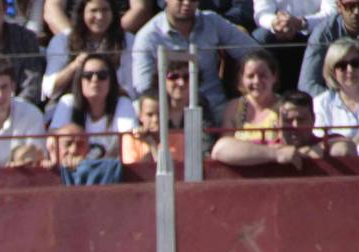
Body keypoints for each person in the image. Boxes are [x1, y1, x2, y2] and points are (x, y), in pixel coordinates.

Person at [131, 0, 260, 117]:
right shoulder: (148, 36)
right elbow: (144, 87)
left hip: (215, 105)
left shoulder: (212, 22)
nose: (187, 3)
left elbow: (255, 54)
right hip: (170, 110)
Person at [210, 88, 356, 165]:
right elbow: (219, 150)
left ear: (313, 120)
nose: (295, 125)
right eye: (288, 120)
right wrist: (275, 155)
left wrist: (303, 153)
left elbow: (345, 148)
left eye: (301, 119)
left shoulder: (325, 141)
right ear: (277, 123)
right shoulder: (267, 146)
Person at [42, 0, 133, 109]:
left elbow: (132, 90)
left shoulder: (127, 40)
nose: (99, 16)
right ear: (82, 13)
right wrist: (75, 65)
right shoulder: (63, 40)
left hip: (115, 105)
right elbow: (49, 89)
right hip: (73, 105)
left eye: (105, 10)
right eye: (93, 11)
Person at [48, 53, 136, 158]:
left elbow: (130, 143)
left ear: (111, 80)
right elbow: (53, 142)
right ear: (79, 80)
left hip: (111, 171)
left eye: (102, 76)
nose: (94, 80)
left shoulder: (123, 103)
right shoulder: (68, 102)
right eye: (88, 75)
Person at [300, 0, 359, 100]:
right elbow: (307, 85)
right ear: (339, 6)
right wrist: (339, 102)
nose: (357, 11)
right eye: (350, 6)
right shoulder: (324, 33)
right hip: (331, 104)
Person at [314, 38, 359, 147]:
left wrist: (344, 147)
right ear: (332, 71)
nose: (350, 70)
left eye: (356, 63)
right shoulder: (321, 103)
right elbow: (320, 142)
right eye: (342, 65)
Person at [220, 49, 282, 144]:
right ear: (241, 79)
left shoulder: (284, 106)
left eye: (262, 76)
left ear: (274, 77)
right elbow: (225, 144)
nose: (256, 81)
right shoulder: (233, 107)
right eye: (250, 76)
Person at [121, 90, 186, 163]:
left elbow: (168, 170)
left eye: (160, 114)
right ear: (140, 116)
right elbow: (132, 170)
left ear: (169, 114)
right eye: (150, 115)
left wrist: (152, 145)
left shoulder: (178, 138)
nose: (155, 119)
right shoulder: (130, 138)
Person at [43, 0, 152, 35]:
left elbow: (141, 8)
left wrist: (113, 35)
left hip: (119, 41)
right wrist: (73, 39)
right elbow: (52, 9)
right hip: (74, 43)